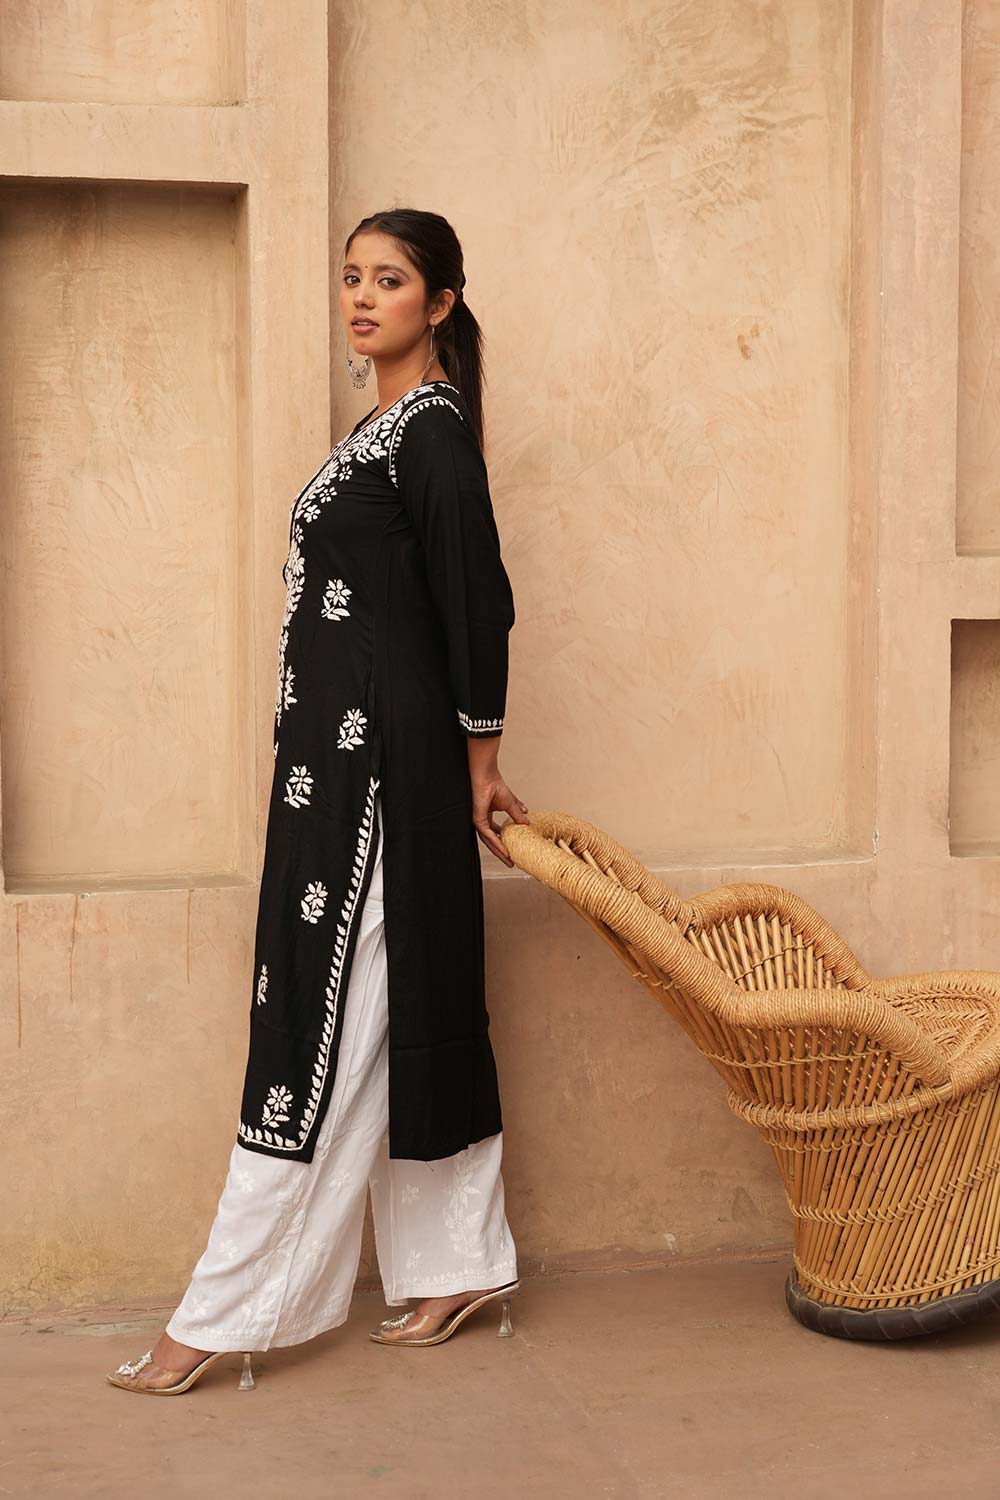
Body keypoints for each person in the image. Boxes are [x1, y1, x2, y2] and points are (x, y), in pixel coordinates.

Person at [106, 208, 529, 1395]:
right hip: (335, 768)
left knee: (326, 1013)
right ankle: (458, 1263)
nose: (361, 298)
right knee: (403, 998)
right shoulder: (377, 431)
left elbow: (476, 597)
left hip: (381, 769)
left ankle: (226, 1310)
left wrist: (480, 762)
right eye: (351, 277)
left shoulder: (431, 431)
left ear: (438, 303)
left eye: (388, 280)